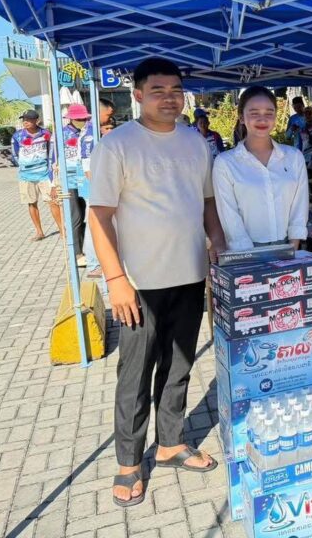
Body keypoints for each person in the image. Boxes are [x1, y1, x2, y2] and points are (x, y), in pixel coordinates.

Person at [88, 57, 226, 509]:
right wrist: (116, 280)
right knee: (136, 372)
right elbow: (99, 215)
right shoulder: (117, 145)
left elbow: (207, 201)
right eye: (158, 90)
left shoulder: (195, 143)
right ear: (138, 95)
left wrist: (217, 242)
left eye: (176, 90)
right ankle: (129, 462)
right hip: (138, 283)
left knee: (179, 363)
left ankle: (170, 442)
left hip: (189, 274)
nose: (169, 98)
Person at [213, 86, 309, 252]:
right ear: (241, 117)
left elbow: (299, 206)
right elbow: (229, 215)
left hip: (288, 249)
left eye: (269, 113)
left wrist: (292, 248)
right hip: (245, 252)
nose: (262, 119)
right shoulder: (226, 163)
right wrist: (249, 256)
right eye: (254, 113)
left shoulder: (294, 157)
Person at [78, 98, 116, 277]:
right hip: (94, 188)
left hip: (98, 187)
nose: (110, 119)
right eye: (108, 115)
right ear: (99, 112)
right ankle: (94, 264)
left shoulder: (94, 130)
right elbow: (88, 168)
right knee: (96, 224)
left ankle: (96, 261)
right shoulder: (91, 134)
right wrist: (101, 188)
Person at [12, 109, 62, 241]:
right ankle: (39, 232)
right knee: (31, 203)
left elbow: (52, 151)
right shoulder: (17, 136)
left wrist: (51, 167)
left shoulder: (46, 134)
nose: (26, 122)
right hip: (26, 175)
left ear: (37, 121)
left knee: (53, 201)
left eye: (29, 119)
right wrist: (22, 164)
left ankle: (63, 230)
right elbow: (14, 154)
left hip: (44, 173)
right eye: (24, 119)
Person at [54, 103, 92, 266]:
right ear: (71, 119)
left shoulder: (88, 131)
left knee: (87, 215)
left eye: (84, 119)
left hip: (84, 177)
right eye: (79, 119)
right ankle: (76, 253)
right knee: (75, 216)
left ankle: (87, 250)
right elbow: (52, 158)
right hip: (68, 179)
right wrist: (53, 183)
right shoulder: (61, 134)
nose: (82, 121)